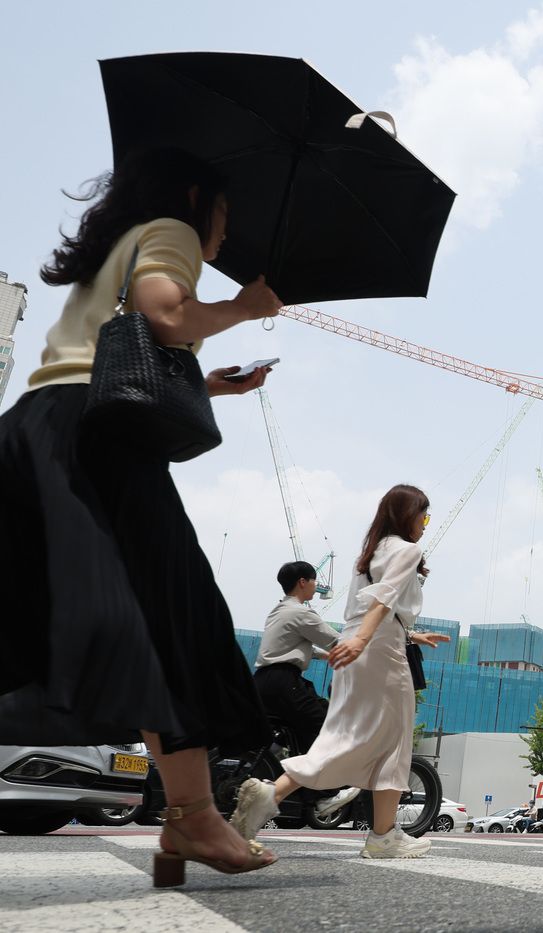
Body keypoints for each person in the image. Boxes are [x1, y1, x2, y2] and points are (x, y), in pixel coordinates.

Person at [0, 148, 282, 886]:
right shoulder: (171, 229)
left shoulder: (119, 244)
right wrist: (247, 308)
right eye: (222, 217)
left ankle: (190, 815)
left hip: (40, 428)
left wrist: (209, 385)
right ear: (196, 196)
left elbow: (120, 359)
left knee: (73, 620)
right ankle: (190, 815)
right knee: (171, 612)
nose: (220, 238)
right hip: (96, 445)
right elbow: (165, 312)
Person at [232, 484, 449, 858]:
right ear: (408, 514)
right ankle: (382, 837)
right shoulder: (409, 550)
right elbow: (383, 601)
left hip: (354, 648)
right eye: (424, 515)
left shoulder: (369, 554)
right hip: (376, 649)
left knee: (342, 736)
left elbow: (372, 607)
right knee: (395, 741)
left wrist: (407, 634)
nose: (426, 524)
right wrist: (369, 640)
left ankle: (272, 794)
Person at [253, 561, 360, 820]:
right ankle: (322, 795)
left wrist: (327, 657)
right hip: (284, 681)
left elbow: (303, 646)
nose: (316, 586)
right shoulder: (302, 613)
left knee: (301, 729)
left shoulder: (279, 611)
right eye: (314, 581)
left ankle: (279, 753)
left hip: (263, 681)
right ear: (303, 582)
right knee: (328, 723)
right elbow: (336, 638)